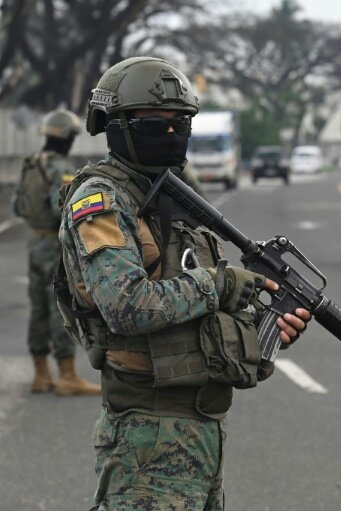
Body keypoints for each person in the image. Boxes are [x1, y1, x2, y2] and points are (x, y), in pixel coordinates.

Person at [57, 56, 311, 510]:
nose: (173, 135)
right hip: (146, 433)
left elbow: (198, 306)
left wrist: (261, 329)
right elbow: (127, 306)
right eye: (156, 125)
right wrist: (221, 283)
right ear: (116, 126)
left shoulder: (171, 194)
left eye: (182, 123)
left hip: (203, 428)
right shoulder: (101, 200)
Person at [12, 108, 101, 396]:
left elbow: (17, 207)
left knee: (37, 307)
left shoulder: (30, 164)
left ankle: (41, 375)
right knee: (59, 307)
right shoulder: (60, 167)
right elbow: (59, 207)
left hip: (34, 243)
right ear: (66, 137)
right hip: (54, 245)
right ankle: (67, 375)